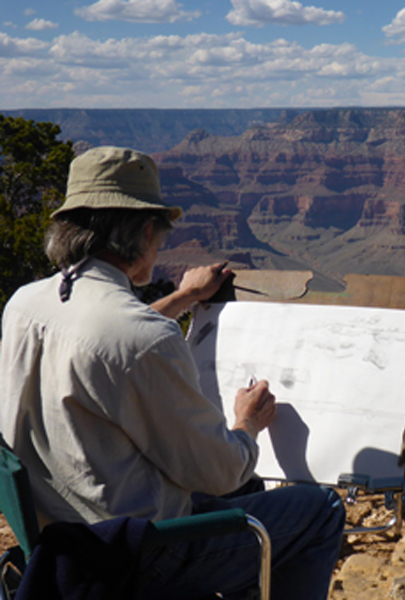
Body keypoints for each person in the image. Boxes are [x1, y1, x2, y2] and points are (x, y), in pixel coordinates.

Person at [0, 146, 345, 599]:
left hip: (61, 541)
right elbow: (220, 472)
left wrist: (182, 298)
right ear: (146, 231)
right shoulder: (143, 340)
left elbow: (105, 340)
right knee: (319, 510)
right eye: (160, 235)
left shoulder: (26, 303)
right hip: (138, 555)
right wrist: (246, 424)